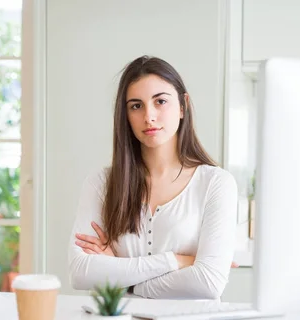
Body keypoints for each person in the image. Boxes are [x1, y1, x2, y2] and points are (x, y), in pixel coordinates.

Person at [68, 55, 238, 299]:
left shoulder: (216, 184)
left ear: (183, 106)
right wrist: (178, 261)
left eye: (160, 101)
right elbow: (80, 273)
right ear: (125, 115)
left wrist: (123, 281)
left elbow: (208, 282)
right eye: (136, 106)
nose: (149, 116)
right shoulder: (101, 184)